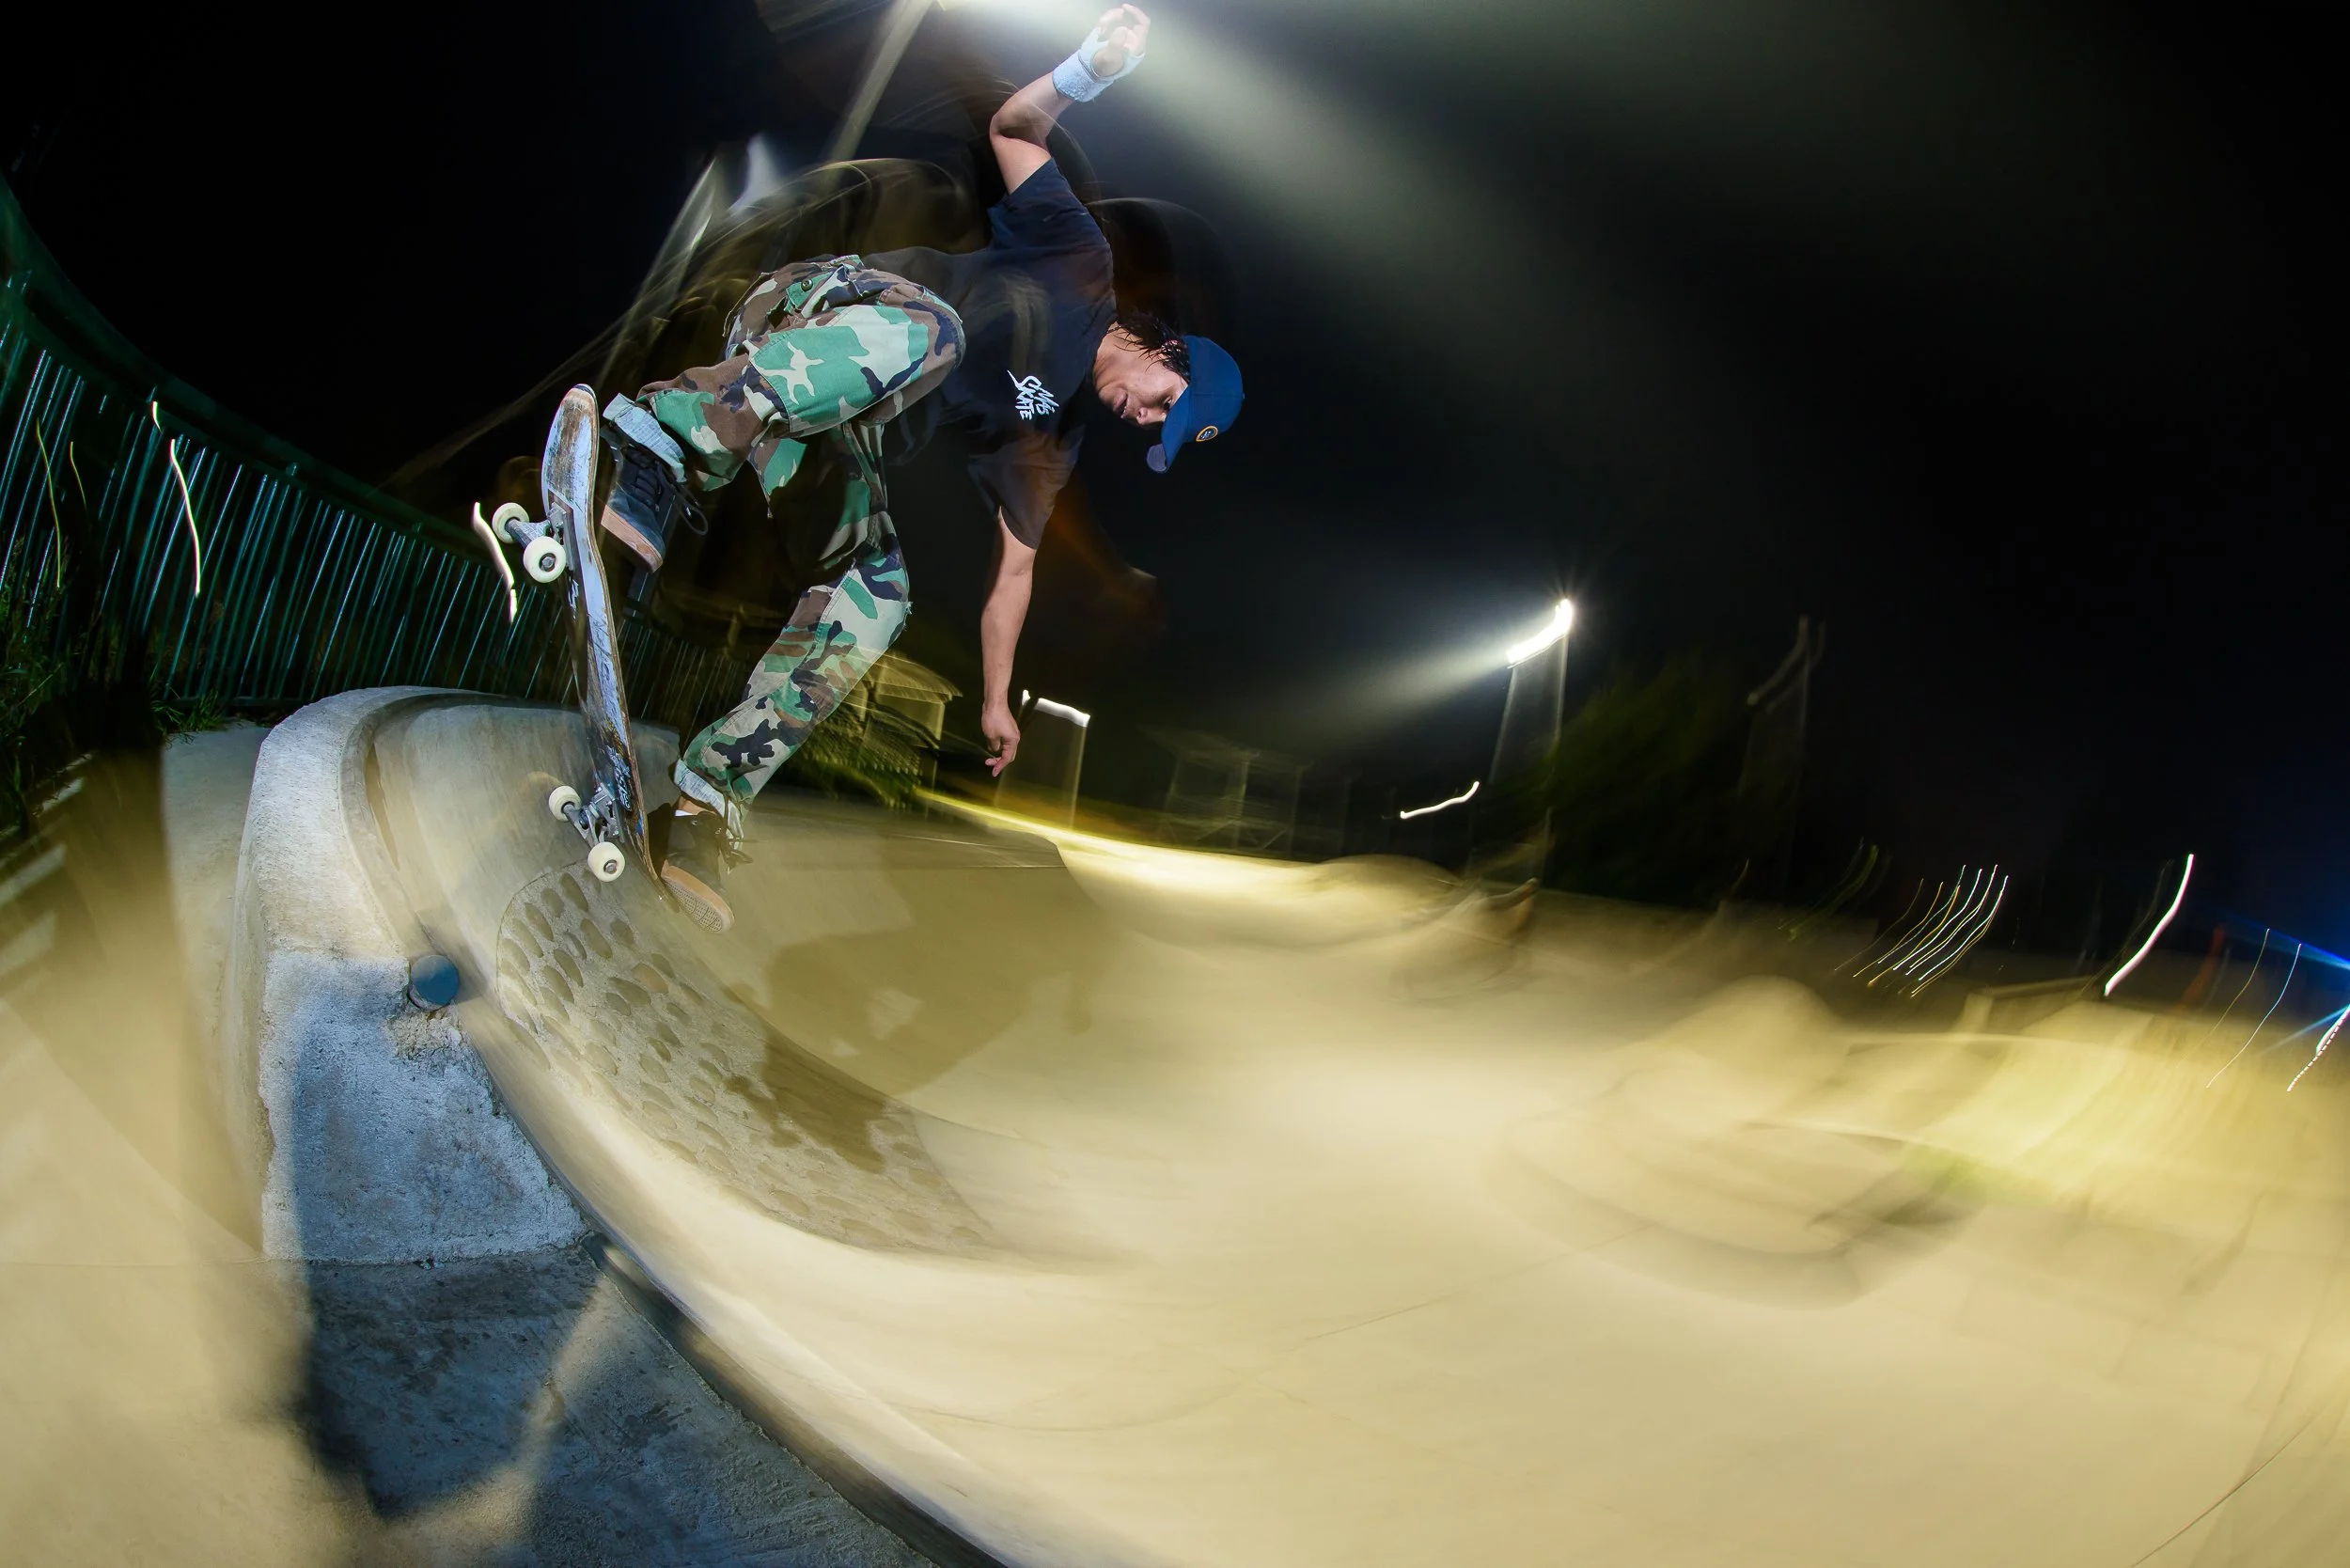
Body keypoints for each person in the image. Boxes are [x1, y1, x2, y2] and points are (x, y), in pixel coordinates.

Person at [594, 6, 1245, 933]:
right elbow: (1014, 128)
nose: (1144, 420)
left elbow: (1012, 573)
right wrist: (1088, 71)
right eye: (1161, 404)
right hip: (816, 313)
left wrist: (994, 701)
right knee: (932, 333)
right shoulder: (1081, 262)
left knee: (879, 591)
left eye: (1158, 431)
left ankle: (704, 798)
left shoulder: (1049, 442)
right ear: (1166, 351)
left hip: (822, 425)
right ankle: (660, 440)